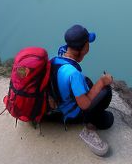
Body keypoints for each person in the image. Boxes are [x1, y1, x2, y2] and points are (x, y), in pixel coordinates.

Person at [46, 24, 114, 156]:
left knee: (87, 81)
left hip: (58, 102)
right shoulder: (73, 74)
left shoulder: (56, 59)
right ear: (82, 49)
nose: (89, 45)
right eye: (88, 43)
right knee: (106, 92)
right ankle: (88, 125)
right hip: (69, 114)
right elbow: (85, 104)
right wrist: (102, 82)